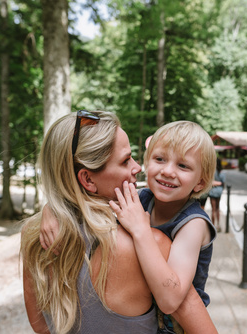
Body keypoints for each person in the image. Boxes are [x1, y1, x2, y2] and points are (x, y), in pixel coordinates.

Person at [20, 111, 217, 334]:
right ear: (87, 179)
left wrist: (53, 207)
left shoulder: (34, 235)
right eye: (125, 160)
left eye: (183, 166)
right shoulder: (150, 242)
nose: (138, 168)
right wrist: (52, 208)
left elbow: (40, 326)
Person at [208, 159, 225, 232]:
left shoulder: (212, 172)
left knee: (213, 209)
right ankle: (218, 225)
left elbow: (209, 182)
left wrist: (213, 183)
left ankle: (213, 225)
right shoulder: (222, 172)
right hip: (219, 192)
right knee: (218, 208)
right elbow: (223, 183)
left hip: (212, 191)